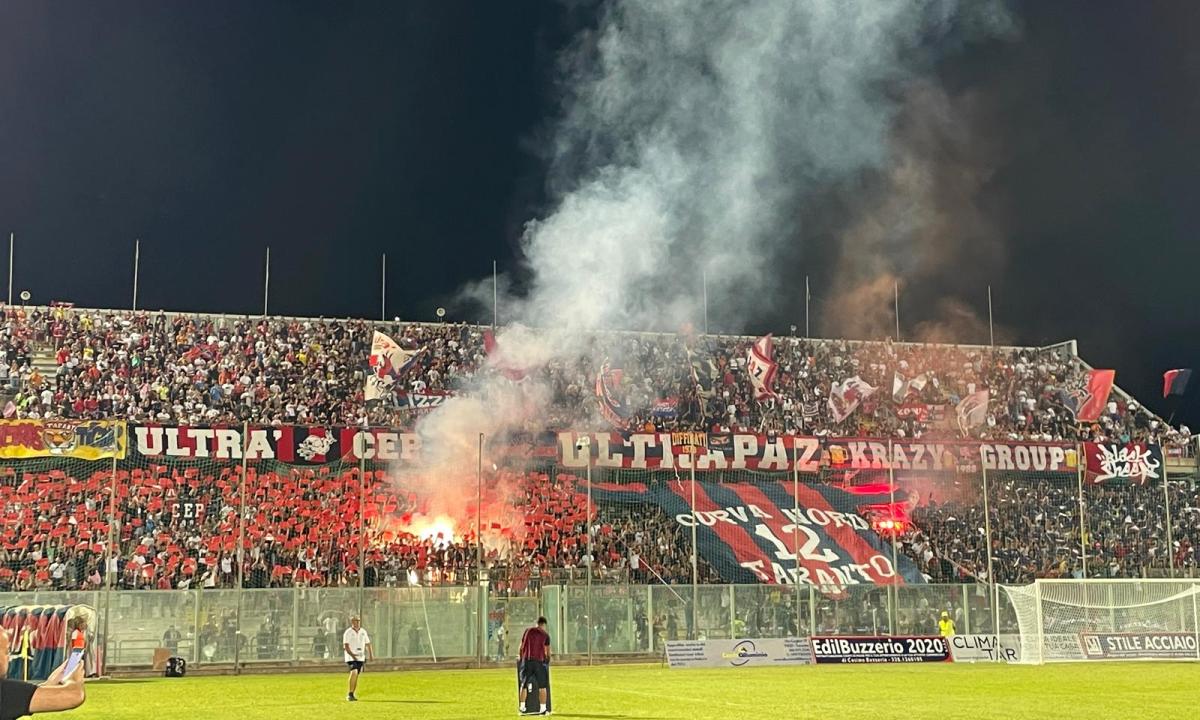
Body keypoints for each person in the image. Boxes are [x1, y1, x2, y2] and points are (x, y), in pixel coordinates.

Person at [0, 626, 87, 719]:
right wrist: (72, 678)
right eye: (6, 651)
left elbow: (21, 697)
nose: (8, 657)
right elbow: (73, 696)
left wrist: (48, 684)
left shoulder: (8, 694)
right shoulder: (6, 692)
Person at [518, 617, 551, 716]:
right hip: (538, 662)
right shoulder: (545, 635)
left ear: (536, 623)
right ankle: (543, 709)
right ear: (544, 625)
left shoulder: (528, 631)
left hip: (527, 660)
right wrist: (547, 659)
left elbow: (521, 646)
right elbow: (547, 652)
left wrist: (520, 657)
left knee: (524, 685)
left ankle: (522, 707)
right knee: (542, 686)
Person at [342, 616, 373, 702]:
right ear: (352, 622)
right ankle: (350, 694)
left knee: (356, 675)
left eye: (358, 620)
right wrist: (353, 656)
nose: (358, 622)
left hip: (360, 657)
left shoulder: (363, 631)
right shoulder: (348, 632)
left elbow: (368, 643)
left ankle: (352, 693)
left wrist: (371, 654)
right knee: (354, 671)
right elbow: (346, 646)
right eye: (356, 621)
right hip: (351, 657)